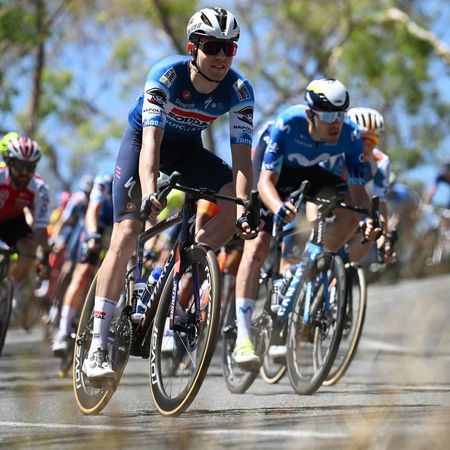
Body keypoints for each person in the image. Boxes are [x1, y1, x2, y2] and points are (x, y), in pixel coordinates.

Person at [83, 7, 258, 379]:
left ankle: (192, 261)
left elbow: (243, 159)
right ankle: (97, 346)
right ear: (193, 48)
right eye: (213, 47)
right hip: (144, 145)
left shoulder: (239, 90)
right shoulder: (166, 75)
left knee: (231, 201)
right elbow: (150, 144)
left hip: (188, 151)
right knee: (128, 233)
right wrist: (149, 193)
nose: (222, 58)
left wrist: (245, 208)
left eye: (230, 49)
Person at [233, 78, 382, 365]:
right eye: (327, 116)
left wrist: (366, 221)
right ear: (310, 114)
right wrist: (278, 208)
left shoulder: (350, 135)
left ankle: (310, 263)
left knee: (351, 212)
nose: (335, 123)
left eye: (340, 114)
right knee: (257, 246)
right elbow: (265, 183)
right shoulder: (288, 124)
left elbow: (358, 193)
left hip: (310, 173)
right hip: (274, 171)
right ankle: (243, 338)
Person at [321, 107, 394, 264]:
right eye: (362, 139)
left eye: (373, 140)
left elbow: (380, 204)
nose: (367, 146)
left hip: (351, 196)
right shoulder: (332, 152)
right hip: (322, 191)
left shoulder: (381, 162)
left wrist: (384, 241)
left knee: (370, 224)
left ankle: (344, 271)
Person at [51, 174, 113, 357]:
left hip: (113, 231)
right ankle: (62, 331)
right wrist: (57, 239)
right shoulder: (88, 193)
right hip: (90, 228)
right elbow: (72, 219)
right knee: (81, 272)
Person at [0, 136, 51, 304]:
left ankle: (7, 295)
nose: (25, 173)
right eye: (21, 165)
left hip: (12, 220)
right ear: (9, 162)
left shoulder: (40, 188)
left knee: (29, 248)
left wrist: (43, 258)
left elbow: (41, 229)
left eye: (31, 167)